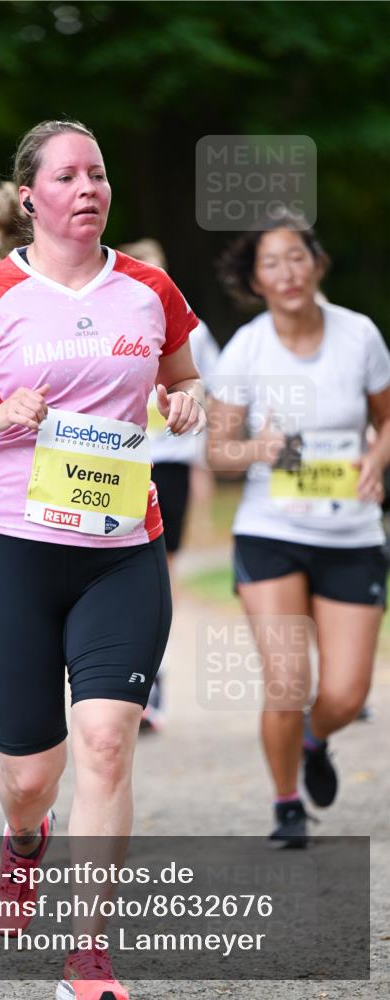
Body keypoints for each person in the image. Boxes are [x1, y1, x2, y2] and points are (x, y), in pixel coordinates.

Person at [0, 119, 205, 1000]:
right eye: (69, 176)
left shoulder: (149, 289)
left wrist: (187, 404)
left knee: (107, 743)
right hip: (7, 549)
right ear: (30, 195)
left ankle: (88, 955)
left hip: (120, 550)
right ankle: (24, 838)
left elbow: (184, 380)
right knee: (32, 773)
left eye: (99, 174)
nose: (88, 188)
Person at [208, 209, 390, 847]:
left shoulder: (359, 335)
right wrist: (257, 449)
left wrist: (376, 457)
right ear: (255, 280)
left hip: (352, 534)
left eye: (297, 257)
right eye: (271, 263)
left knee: (343, 693)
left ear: (317, 263)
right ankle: (287, 802)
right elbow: (216, 450)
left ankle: (316, 738)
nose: (287, 272)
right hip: (272, 530)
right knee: (288, 681)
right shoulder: (246, 348)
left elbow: (388, 419)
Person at [119, 239, 220, 731]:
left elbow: (206, 391)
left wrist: (202, 464)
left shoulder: (189, 330)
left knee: (162, 573)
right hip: (119, 460)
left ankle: (151, 677)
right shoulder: (108, 322)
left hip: (172, 465)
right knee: (115, 569)